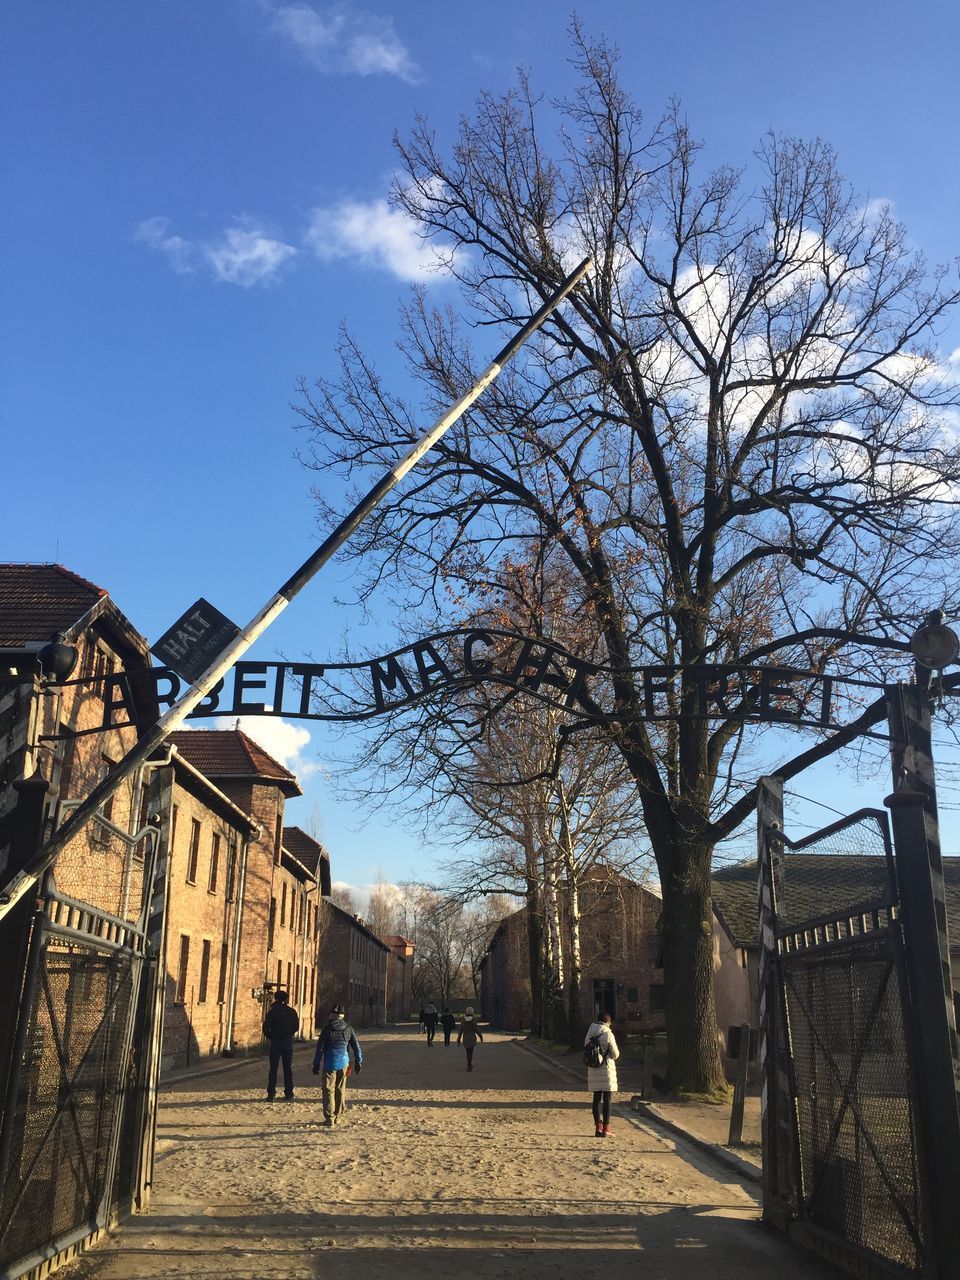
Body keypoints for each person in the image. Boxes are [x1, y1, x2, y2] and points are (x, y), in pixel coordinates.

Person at [312, 1002, 362, 1126]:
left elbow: (320, 1048)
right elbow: (356, 1046)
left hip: (329, 1063)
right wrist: (358, 1060)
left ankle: (329, 1117)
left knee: (328, 1090)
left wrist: (316, 1063)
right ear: (342, 1016)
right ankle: (339, 1116)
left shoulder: (327, 1029)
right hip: (343, 1063)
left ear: (332, 1015)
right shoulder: (348, 1028)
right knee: (340, 1089)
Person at [584, 1010, 620, 1137]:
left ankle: (598, 1127)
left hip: (594, 1067)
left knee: (596, 1098)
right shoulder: (608, 1033)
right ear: (607, 1021)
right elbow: (615, 1054)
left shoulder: (590, 1032)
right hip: (606, 1068)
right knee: (607, 1099)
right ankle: (607, 1128)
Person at [262, 989, 299, 1102]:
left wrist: (271, 1036)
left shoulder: (272, 1012)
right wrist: (289, 1034)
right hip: (287, 1042)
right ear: (286, 999)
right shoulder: (292, 1011)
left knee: (273, 1068)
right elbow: (296, 1027)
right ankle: (288, 1093)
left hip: (275, 1042)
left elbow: (265, 1027)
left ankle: (271, 1094)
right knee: (287, 1068)